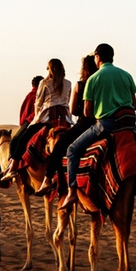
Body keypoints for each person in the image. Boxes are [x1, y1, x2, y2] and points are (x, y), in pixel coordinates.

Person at [60, 43, 136, 209]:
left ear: (98, 57)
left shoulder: (93, 80)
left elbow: (87, 112)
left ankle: (72, 191)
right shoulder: (127, 75)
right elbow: (134, 105)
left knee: (72, 151)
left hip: (106, 125)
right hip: (128, 126)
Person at [35, 54, 98, 196]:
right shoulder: (71, 83)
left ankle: (49, 179)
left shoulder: (80, 85)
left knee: (63, 147)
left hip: (83, 123)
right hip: (78, 119)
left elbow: (75, 110)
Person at [1, 59, 72, 180]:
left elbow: (38, 103)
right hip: (64, 118)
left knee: (22, 139)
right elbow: (67, 100)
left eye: (48, 68)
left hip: (47, 118)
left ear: (51, 69)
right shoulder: (68, 83)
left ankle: (13, 168)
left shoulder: (44, 83)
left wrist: (36, 119)